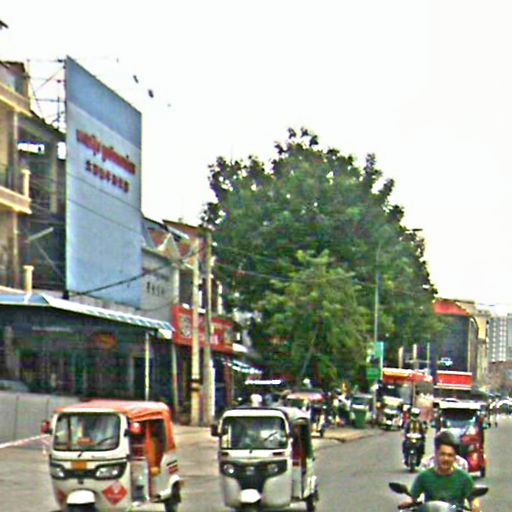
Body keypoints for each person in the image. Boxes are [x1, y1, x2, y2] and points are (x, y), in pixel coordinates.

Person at [400, 430, 481, 512]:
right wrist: (408, 502)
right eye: (442, 454)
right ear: (436, 455)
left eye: (450, 455)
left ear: (455, 458)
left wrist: (475, 506)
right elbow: (413, 496)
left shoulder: (464, 478)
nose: (446, 459)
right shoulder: (424, 476)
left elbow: (473, 498)